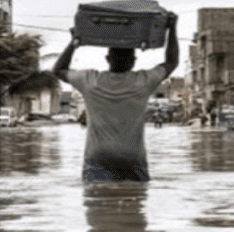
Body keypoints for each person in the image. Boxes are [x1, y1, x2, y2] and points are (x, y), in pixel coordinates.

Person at [54, 12, 178, 182]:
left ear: (107, 59)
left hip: (99, 156)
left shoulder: (90, 81)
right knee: (135, 197)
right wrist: (172, 28)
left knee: (97, 196)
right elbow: (171, 62)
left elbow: (59, 70)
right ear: (133, 61)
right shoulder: (143, 81)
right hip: (133, 157)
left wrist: (73, 43)